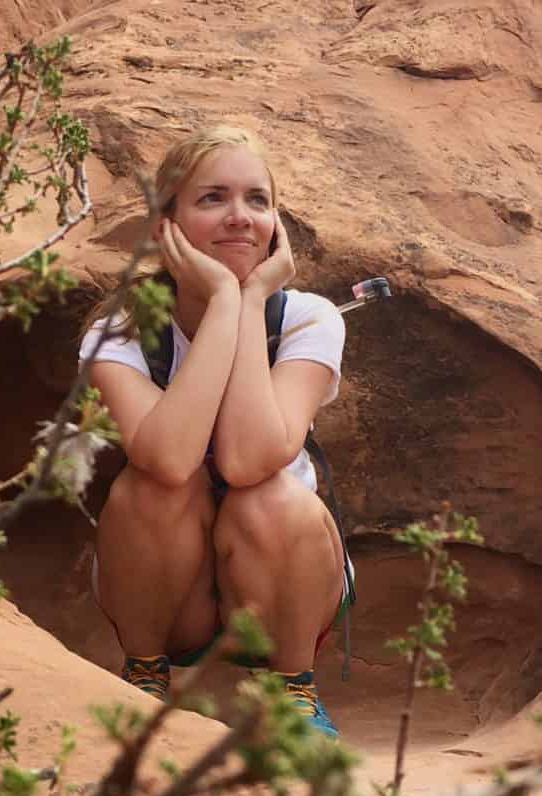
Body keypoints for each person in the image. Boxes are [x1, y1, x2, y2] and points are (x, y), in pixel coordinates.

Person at [78, 125, 350, 738]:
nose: (239, 218)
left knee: (272, 495)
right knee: (150, 487)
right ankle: (146, 674)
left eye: (257, 200)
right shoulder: (120, 331)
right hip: (173, 595)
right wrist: (226, 298)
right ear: (163, 227)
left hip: (279, 584)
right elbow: (171, 459)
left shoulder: (308, 318)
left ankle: (293, 693)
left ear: (277, 223)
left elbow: (248, 459)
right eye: (212, 199)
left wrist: (250, 302)